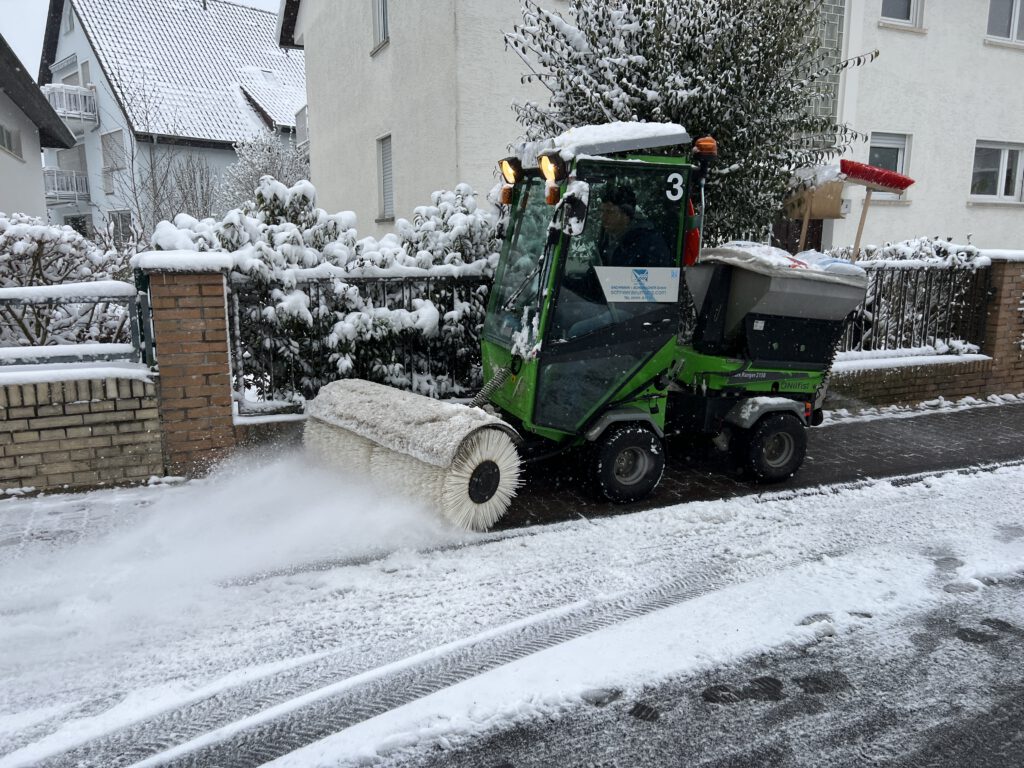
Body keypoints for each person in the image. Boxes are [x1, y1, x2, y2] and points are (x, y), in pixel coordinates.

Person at [597, 185, 673, 268]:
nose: (603, 217)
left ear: (626, 214)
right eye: (602, 211)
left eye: (609, 212)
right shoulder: (607, 238)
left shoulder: (647, 242)